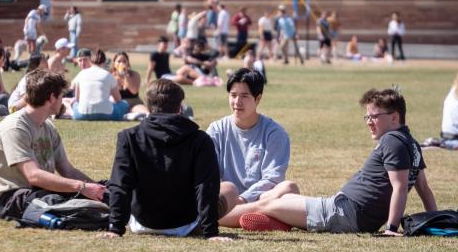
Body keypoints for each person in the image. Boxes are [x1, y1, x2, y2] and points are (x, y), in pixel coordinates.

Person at [239, 88, 437, 235]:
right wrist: (434, 220)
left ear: (394, 118)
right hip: (343, 209)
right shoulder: (411, 144)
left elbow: (400, 187)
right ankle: (283, 223)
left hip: (343, 213)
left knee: (265, 204)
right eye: (367, 116)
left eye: (374, 116)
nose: (368, 121)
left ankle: (216, 216)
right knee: (282, 195)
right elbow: (424, 189)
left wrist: (391, 229)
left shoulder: (392, 140)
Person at [101, 79, 227, 240]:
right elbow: (206, 186)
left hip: (141, 223)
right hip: (185, 224)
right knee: (229, 188)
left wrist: (115, 228)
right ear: (180, 107)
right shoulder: (200, 140)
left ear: (148, 107)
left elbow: (120, 184)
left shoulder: (129, 137)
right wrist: (211, 233)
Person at [0, 69, 107, 220]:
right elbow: (33, 176)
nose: (63, 100)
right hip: (11, 198)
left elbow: (68, 171)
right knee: (78, 207)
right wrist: (81, 187)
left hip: (41, 191)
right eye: (62, 96)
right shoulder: (15, 127)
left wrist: (98, 189)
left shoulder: (48, 127)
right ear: (52, 98)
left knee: (109, 189)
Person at [207, 68, 294, 227]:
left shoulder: (275, 133)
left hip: (260, 197)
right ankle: (272, 217)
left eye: (244, 96)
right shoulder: (216, 129)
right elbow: (209, 172)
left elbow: (272, 179)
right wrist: (230, 198)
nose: (237, 102)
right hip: (224, 200)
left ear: (258, 98)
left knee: (289, 187)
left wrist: (243, 199)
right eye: (233, 95)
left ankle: (244, 215)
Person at [70, 48, 144, 121]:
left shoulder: (134, 75)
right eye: (119, 61)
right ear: (114, 63)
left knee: (74, 102)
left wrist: (126, 75)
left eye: (124, 61)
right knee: (123, 104)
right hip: (108, 111)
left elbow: (134, 91)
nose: (122, 63)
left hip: (133, 102)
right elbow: (118, 99)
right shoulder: (109, 75)